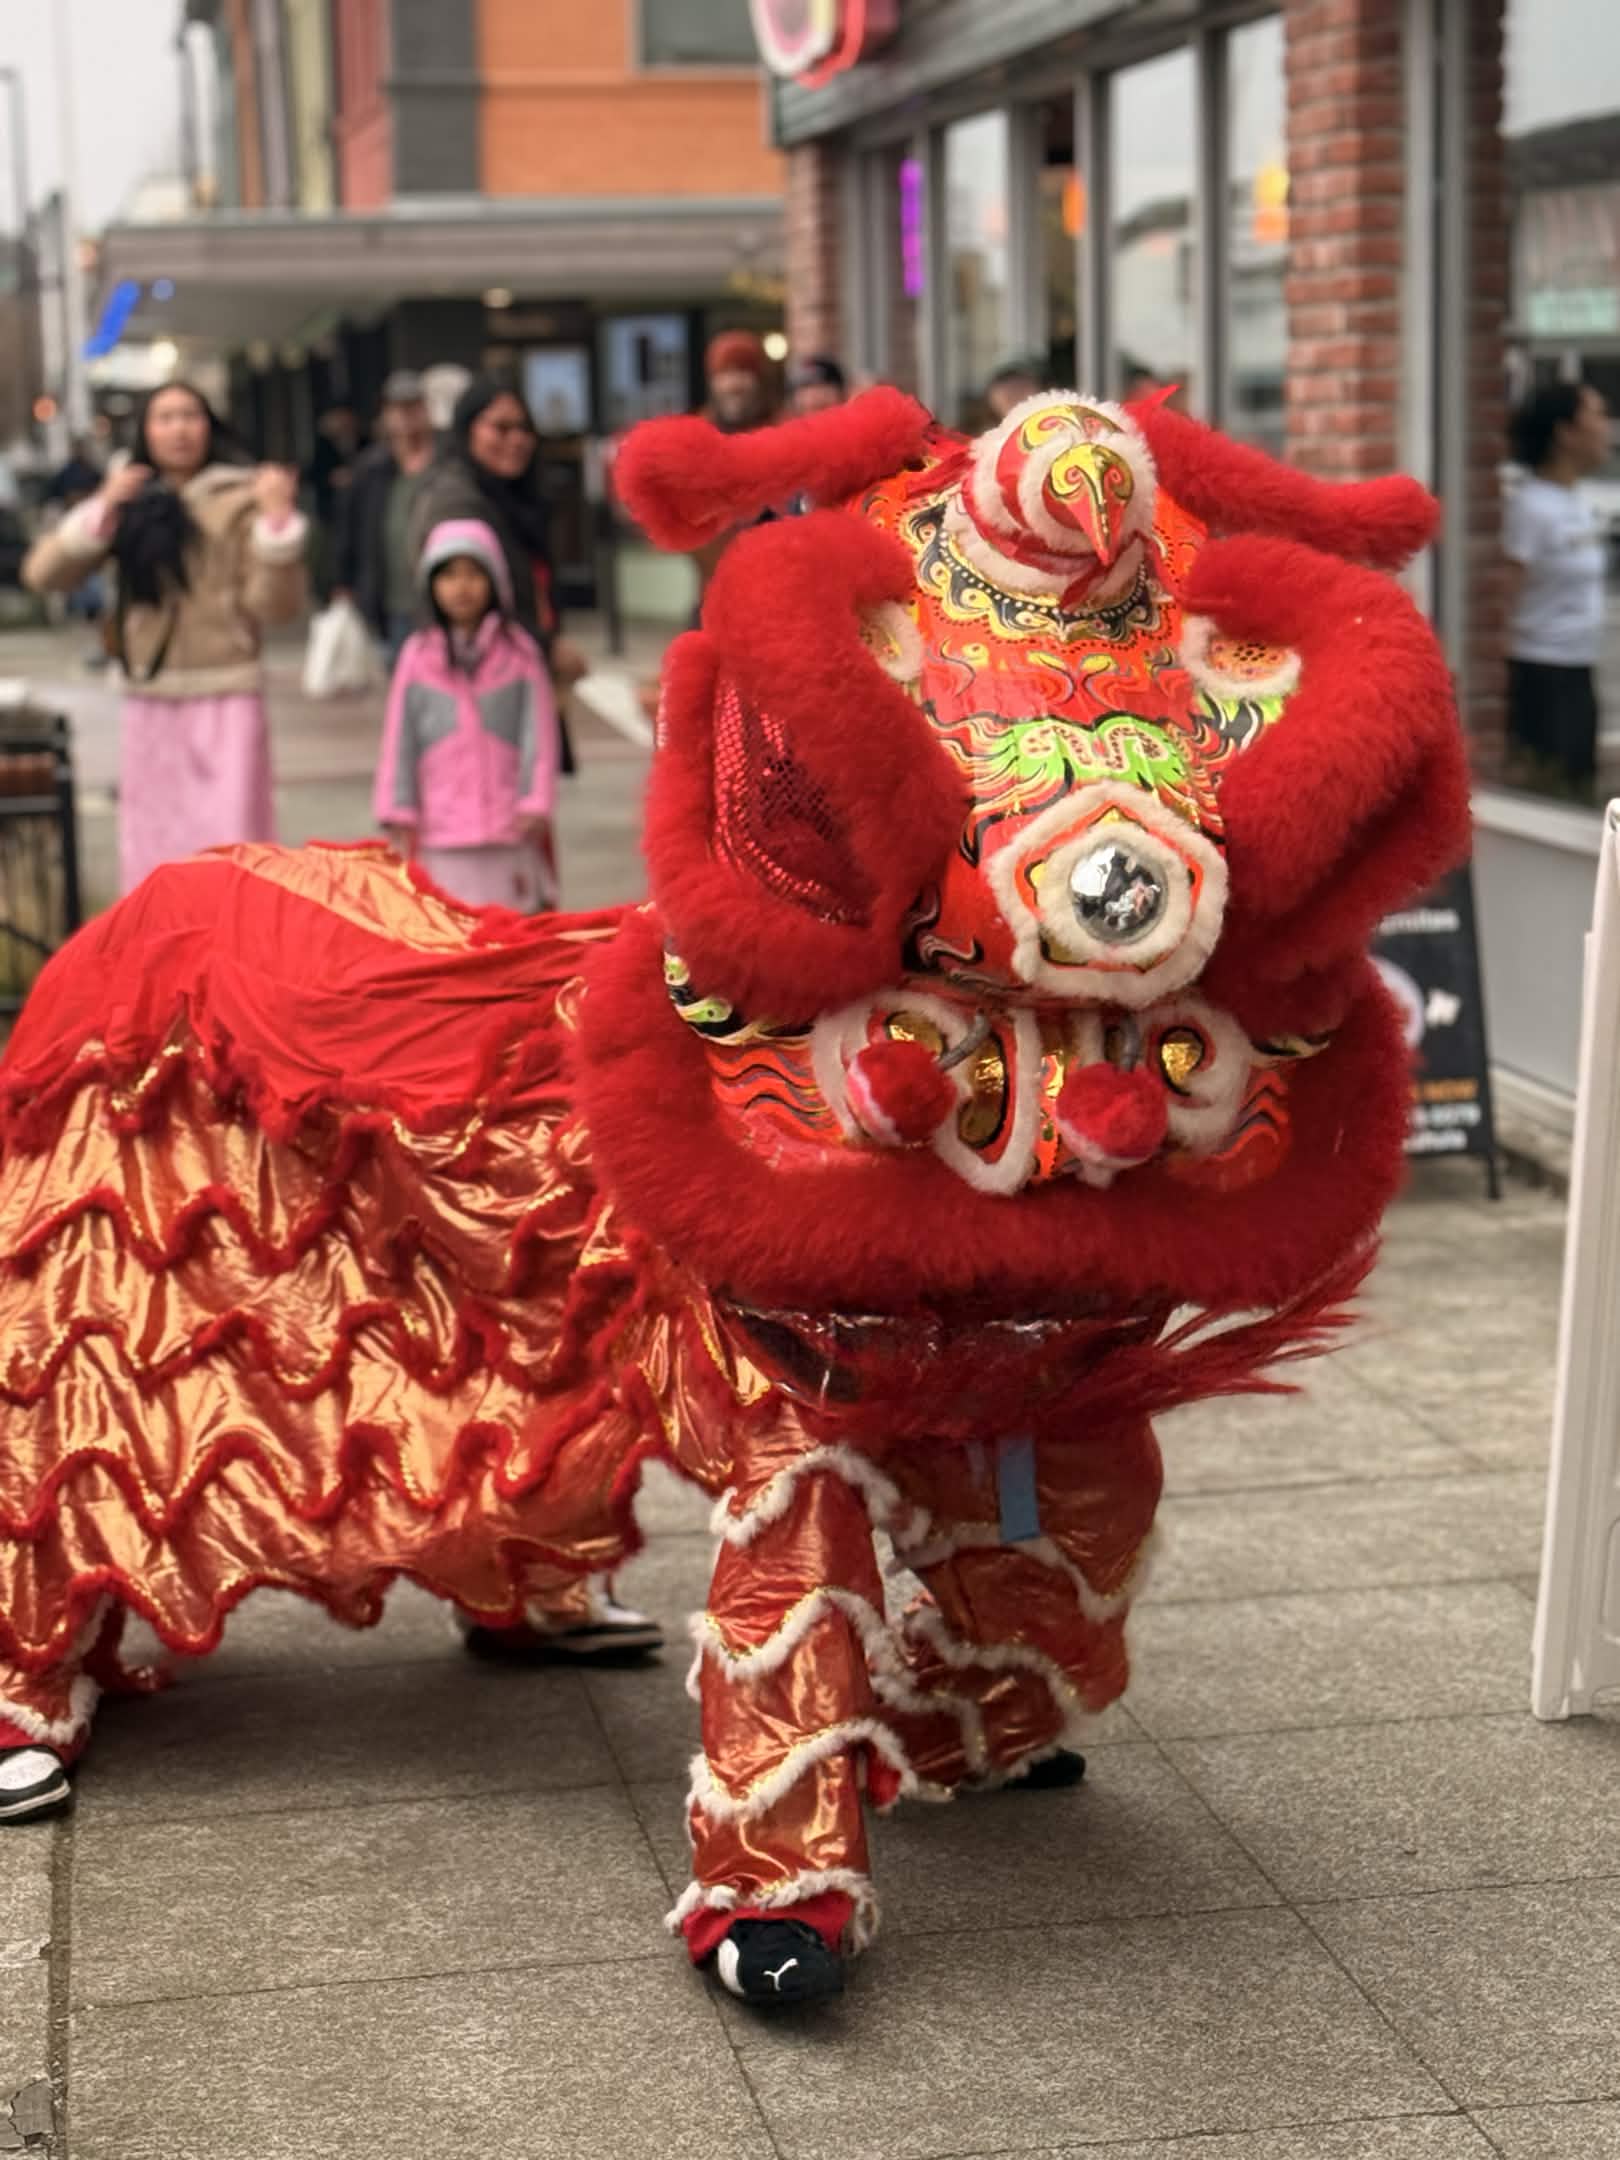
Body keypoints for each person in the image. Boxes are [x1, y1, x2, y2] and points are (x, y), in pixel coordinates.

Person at [0, 388, 1468, 2017]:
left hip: (1042, 1091)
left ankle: (979, 1708)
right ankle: (776, 1865)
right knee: (796, 1445)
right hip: (822, 1079)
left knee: (1062, 1427)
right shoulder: (870, 659)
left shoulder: (1153, 659)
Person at [22, 381, 306, 894]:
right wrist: (102, 506)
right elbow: (43, 575)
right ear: (146, 431)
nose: (179, 429)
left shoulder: (240, 500)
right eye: (165, 417)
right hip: (151, 697)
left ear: (209, 426)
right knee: (156, 848)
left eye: (190, 415)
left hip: (227, 693)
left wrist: (277, 524)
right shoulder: (128, 500)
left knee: (234, 847)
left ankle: (233, 944)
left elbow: (275, 608)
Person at [375, 517, 561, 913]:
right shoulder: (417, 656)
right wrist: (398, 807)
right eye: (449, 575)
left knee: (510, 928)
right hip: (441, 829)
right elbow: (399, 737)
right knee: (450, 924)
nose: (462, 587)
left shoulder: (519, 654)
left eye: (474, 573)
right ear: (431, 584)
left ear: (495, 581)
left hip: (508, 826)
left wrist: (535, 800)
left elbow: (539, 734)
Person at [409, 375, 588, 767]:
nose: (517, 440)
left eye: (524, 428)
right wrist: (546, 649)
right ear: (467, 430)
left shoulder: (514, 498)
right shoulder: (456, 503)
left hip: (520, 682)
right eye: (501, 428)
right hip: (482, 693)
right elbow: (461, 607)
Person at [1504, 379, 1612, 798]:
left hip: (1579, 670)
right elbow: (1505, 598)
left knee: (1579, 793)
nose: (1607, 428)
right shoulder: (1531, 508)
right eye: (1598, 416)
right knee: (1550, 796)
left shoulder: (1577, 502)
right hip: (1541, 676)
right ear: (1565, 433)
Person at [336, 369, 437, 659]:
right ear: (386, 413)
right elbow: (350, 528)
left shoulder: (446, 463)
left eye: (413, 406)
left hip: (442, 600)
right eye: (398, 408)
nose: (406, 416)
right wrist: (345, 583)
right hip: (390, 602)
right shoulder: (370, 468)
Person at [704, 330, 776, 435]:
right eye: (725, 373)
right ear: (712, 381)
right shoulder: (698, 431)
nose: (734, 385)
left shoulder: (781, 430)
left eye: (743, 372)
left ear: (760, 380)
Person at [787, 354, 847, 418]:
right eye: (807, 387)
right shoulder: (786, 421)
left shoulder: (849, 420)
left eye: (823, 387)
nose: (815, 397)